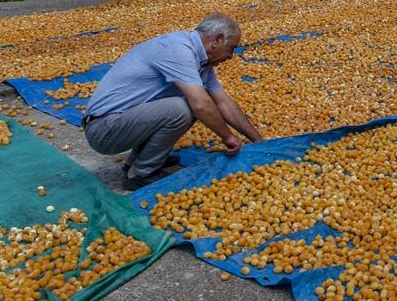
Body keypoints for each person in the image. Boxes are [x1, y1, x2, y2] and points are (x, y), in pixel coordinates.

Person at [82, 12, 264, 190]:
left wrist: (259, 141)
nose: (231, 56)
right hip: (104, 129)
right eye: (232, 48)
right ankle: (142, 173)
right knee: (184, 107)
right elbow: (201, 104)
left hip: (122, 123)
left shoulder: (202, 62)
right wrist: (228, 137)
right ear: (217, 40)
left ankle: (140, 160)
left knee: (194, 102)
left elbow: (223, 102)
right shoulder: (179, 50)